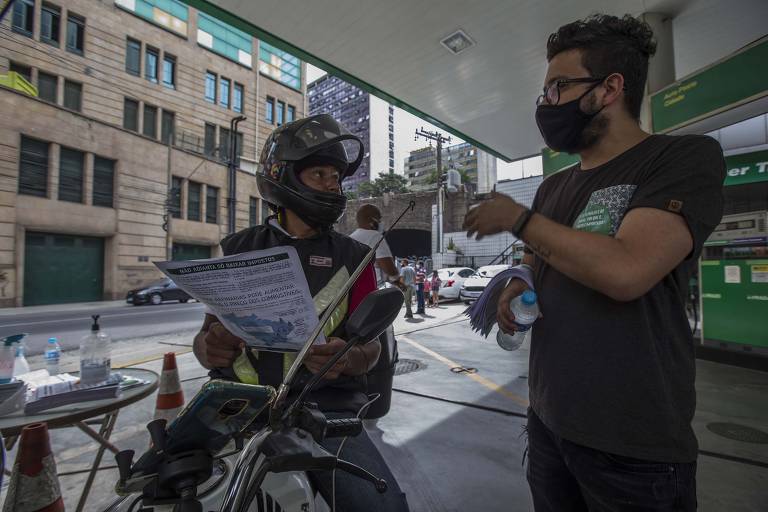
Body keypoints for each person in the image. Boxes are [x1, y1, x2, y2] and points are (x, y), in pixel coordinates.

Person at [464, 14, 725, 512]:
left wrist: (519, 219)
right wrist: (515, 286)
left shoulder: (681, 159)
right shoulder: (553, 185)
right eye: (545, 91)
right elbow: (534, 261)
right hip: (548, 421)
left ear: (610, 88)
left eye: (559, 86)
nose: (547, 103)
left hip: (632, 449)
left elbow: (626, 271)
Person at [193, 114, 409, 511]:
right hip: (238, 404)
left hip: (324, 407)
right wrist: (210, 348)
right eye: (320, 174)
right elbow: (205, 337)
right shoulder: (239, 248)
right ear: (285, 178)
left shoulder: (356, 257)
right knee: (167, 488)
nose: (332, 184)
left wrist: (348, 357)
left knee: (384, 507)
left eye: (336, 176)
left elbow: (372, 350)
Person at [349, 204, 400, 286]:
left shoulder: (351, 237)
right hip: (373, 287)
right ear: (372, 221)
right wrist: (399, 283)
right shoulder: (375, 236)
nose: (380, 222)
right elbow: (389, 268)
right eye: (379, 219)